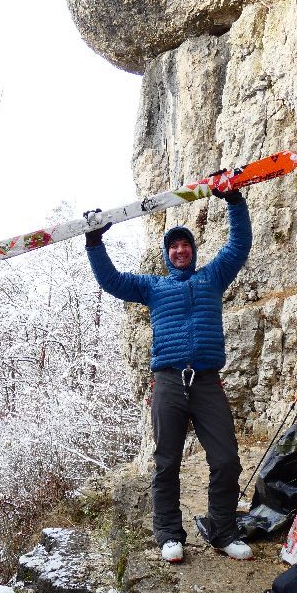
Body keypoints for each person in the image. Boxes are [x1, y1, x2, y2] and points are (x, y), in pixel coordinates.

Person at [84, 185, 254, 563]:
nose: (180, 250)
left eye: (186, 245)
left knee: (226, 459)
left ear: (193, 251)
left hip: (207, 381)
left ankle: (223, 530)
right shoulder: (152, 287)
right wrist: (95, 244)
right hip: (167, 383)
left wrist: (234, 202)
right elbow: (111, 281)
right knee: (166, 462)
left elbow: (239, 245)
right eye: (173, 246)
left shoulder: (212, 278)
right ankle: (168, 534)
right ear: (166, 254)